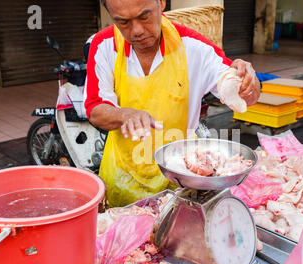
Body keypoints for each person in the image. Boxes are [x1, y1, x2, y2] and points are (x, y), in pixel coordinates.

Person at [84, 0, 260, 207]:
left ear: (161, 3)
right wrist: (123, 115)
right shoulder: (103, 45)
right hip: (123, 175)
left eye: (144, 16)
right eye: (123, 22)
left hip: (183, 176)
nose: (136, 31)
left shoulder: (193, 46)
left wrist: (248, 84)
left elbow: (238, 91)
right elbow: (95, 110)